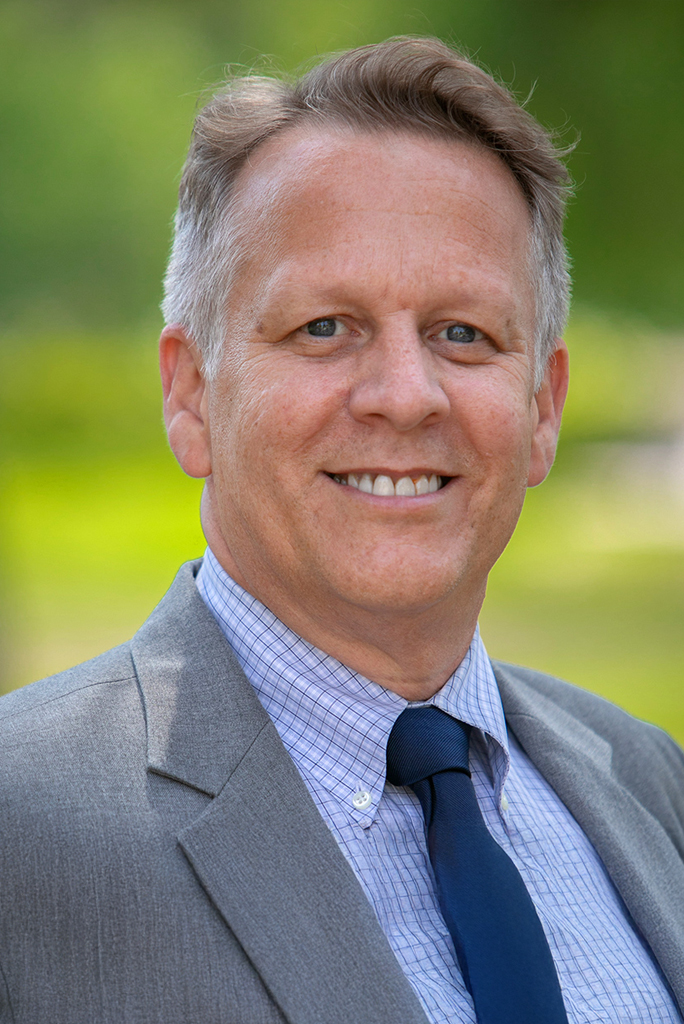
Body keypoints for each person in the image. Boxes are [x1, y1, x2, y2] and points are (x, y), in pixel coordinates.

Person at [1, 36, 683, 1024]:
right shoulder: (22, 831)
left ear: (542, 407)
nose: (405, 395)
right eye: (324, 327)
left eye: (464, 333)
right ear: (191, 394)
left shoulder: (654, 786)